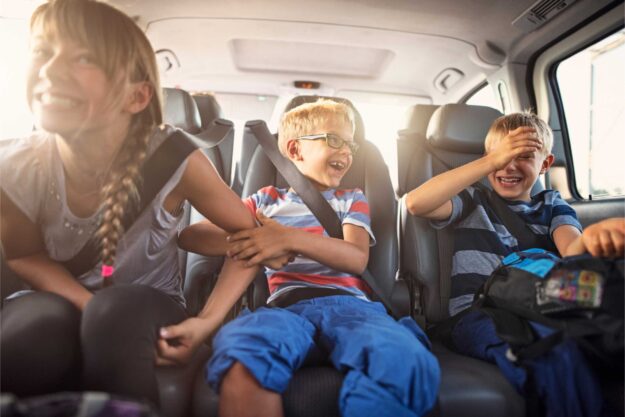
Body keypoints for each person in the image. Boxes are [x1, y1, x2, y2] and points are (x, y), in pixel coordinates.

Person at [0, 0, 266, 408]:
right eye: (42, 51)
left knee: (116, 313)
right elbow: (24, 255)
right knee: (33, 332)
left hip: (148, 302)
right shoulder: (13, 166)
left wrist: (206, 322)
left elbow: (251, 237)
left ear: (137, 96)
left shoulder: (176, 159)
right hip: (55, 296)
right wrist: (88, 305)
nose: (50, 69)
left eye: (83, 57)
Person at [161, 99, 440, 417]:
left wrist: (288, 238)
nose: (348, 152)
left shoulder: (351, 200)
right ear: (295, 150)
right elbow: (190, 237)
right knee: (242, 347)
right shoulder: (265, 201)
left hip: (352, 308)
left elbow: (356, 258)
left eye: (351, 145)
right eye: (334, 140)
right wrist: (255, 238)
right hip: (285, 308)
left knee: (402, 356)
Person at [406, 111, 616, 417]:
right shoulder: (473, 200)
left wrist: (596, 239)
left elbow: (573, 252)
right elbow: (416, 203)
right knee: (552, 355)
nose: (509, 165)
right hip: (478, 312)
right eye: (503, 156)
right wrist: (490, 161)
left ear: (545, 164)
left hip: (542, 305)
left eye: (524, 156)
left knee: (594, 338)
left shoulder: (553, 206)